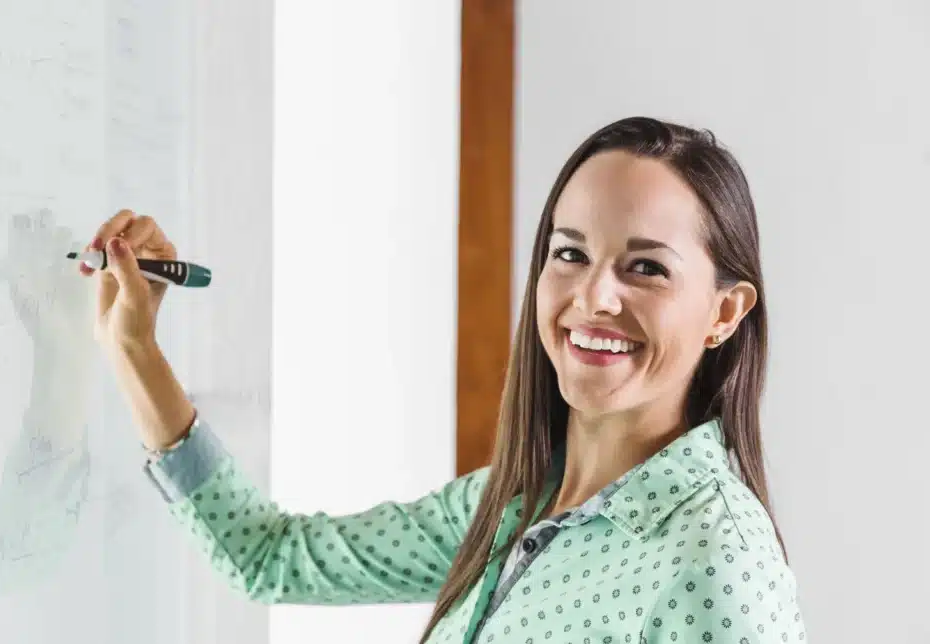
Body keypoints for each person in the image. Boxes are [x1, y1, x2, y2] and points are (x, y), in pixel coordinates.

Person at [83, 117, 808, 643]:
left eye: (645, 267)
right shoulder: (509, 506)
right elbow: (270, 557)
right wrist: (134, 349)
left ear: (724, 312)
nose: (593, 297)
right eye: (570, 254)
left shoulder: (717, 561)